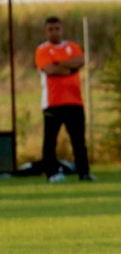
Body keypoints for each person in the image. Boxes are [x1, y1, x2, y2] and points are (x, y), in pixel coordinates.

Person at [34, 16, 95, 182]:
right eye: (50, 29)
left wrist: (59, 63)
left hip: (74, 100)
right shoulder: (42, 50)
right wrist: (68, 67)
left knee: (78, 140)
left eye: (57, 29)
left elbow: (80, 61)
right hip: (53, 102)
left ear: (62, 29)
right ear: (46, 31)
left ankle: (84, 172)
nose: (54, 32)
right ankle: (51, 172)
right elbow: (49, 69)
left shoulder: (73, 47)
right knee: (50, 140)